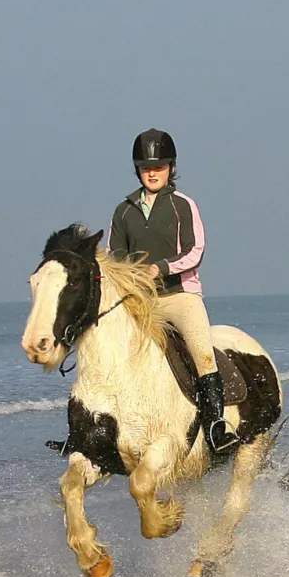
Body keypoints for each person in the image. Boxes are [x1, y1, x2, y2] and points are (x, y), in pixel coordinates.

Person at [108, 128, 240, 455]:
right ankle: (95, 429)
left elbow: (196, 251)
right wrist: (130, 275)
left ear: (171, 167)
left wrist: (161, 268)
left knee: (201, 352)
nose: (152, 173)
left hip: (180, 295)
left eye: (159, 166)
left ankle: (216, 424)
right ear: (138, 169)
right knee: (107, 350)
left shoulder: (183, 205)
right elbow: (114, 255)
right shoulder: (123, 210)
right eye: (146, 167)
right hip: (141, 300)